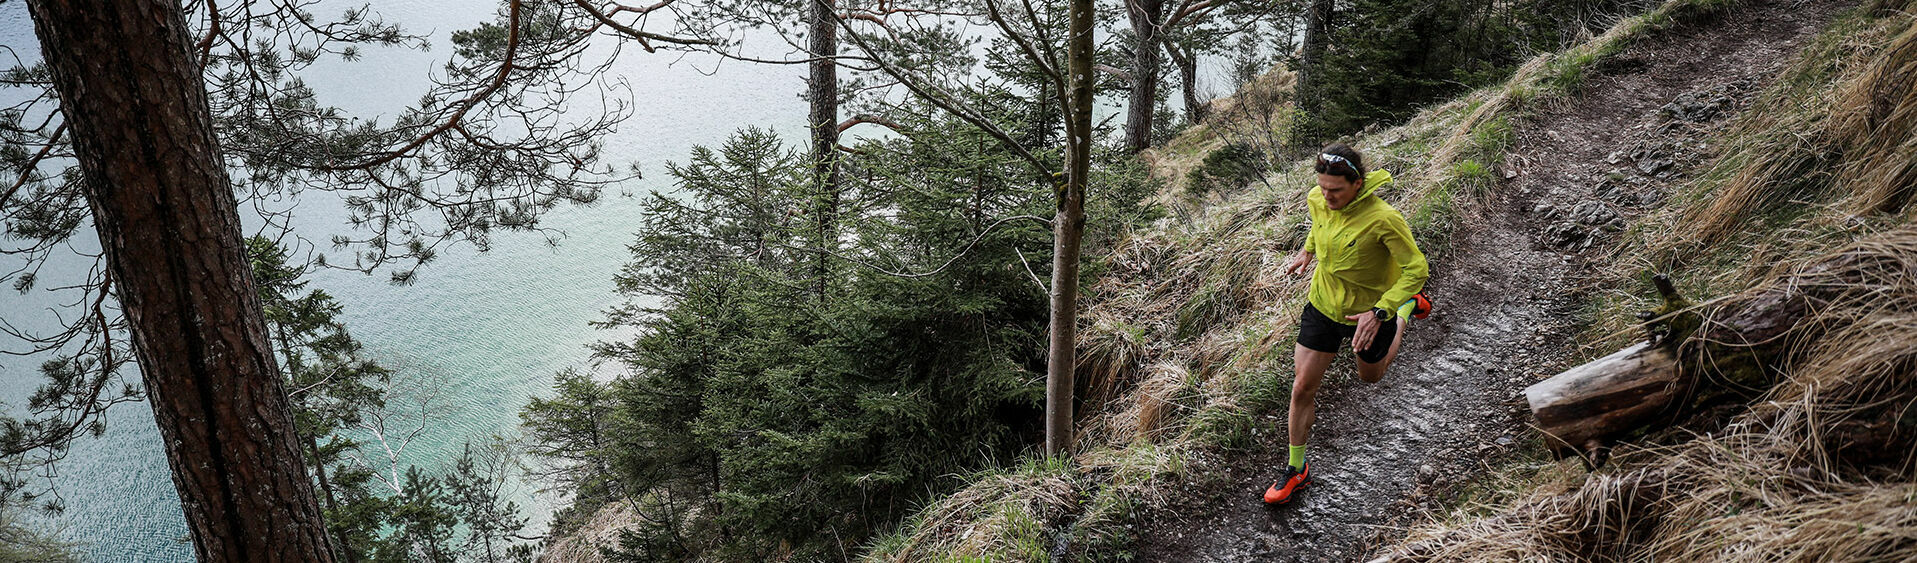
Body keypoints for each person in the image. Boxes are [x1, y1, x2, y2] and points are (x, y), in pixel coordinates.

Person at [1264, 143, 1431, 505]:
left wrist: (1383, 310)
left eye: (1336, 190)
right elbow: (1319, 222)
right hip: (1323, 304)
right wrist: (1308, 249)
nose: (1327, 196)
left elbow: (1416, 268)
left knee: (1371, 377)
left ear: (1358, 184)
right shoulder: (1318, 198)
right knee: (1302, 387)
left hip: (1371, 312)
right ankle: (1297, 469)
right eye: (1323, 187)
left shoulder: (1384, 219)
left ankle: (1405, 309)